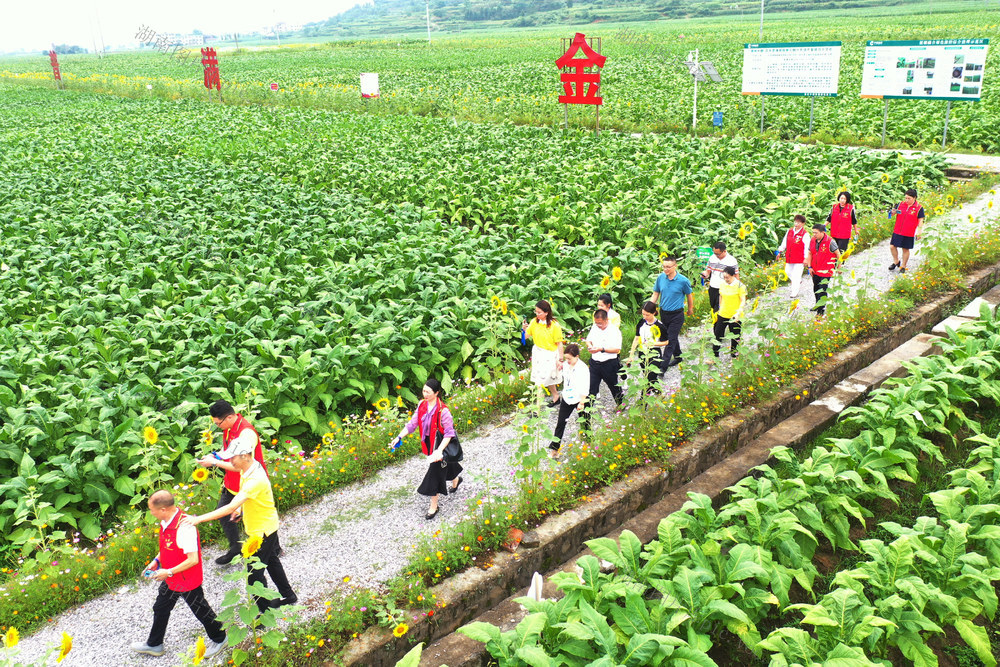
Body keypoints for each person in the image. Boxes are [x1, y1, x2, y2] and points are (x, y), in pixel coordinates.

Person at [183, 438, 297, 614]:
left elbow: (229, 507)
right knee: (272, 562)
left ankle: (265, 613)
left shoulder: (255, 479)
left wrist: (198, 519)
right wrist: (241, 511)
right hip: (264, 525)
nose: (230, 461)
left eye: (232, 457)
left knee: (253, 576)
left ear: (244, 455)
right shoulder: (249, 467)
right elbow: (251, 499)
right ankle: (289, 596)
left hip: (263, 531)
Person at [130, 491, 227, 658]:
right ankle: (154, 644)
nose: (151, 513)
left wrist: (167, 571)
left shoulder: (184, 528)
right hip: (171, 577)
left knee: (201, 609)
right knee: (160, 607)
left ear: (163, 509)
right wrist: (157, 561)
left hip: (186, 579)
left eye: (152, 509)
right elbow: (169, 548)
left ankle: (220, 639)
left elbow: (193, 559)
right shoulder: (166, 521)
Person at [197, 400, 268, 565]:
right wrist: (214, 456)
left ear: (229, 417)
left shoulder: (246, 434)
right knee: (224, 515)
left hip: (250, 482)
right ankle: (235, 549)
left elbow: (240, 467)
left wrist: (214, 463)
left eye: (218, 423)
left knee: (258, 519)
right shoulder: (228, 429)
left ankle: (273, 548)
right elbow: (227, 452)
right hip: (231, 483)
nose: (217, 426)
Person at [391, 379, 462, 520]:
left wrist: (439, 451)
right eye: (424, 391)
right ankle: (456, 480)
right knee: (446, 464)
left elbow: (449, 434)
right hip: (429, 443)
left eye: (428, 392)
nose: (425, 394)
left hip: (440, 444)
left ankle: (433, 506)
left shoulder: (444, 411)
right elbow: (412, 424)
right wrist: (399, 437)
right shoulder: (422, 405)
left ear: (436, 393)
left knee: (434, 473)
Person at [649, 256, 694, 368]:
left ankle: (662, 368)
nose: (665, 269)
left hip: (677, 315)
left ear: (675, 266)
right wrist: (649, 307)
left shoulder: (683, 281)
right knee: (671, 336)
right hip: (664, 313)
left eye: (668, 267)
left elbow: (689, 295)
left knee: (670, 340)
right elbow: (655, 294)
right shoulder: (660, 278)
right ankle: (678, 356)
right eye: (664, 267)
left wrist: (690, 309)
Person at [549, 344, 589, 457]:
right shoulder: (566, 365)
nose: (567, 361)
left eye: (570, 359)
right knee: (560, 423)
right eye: (566, 358)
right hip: (567, 397)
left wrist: (582, 402)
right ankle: (554, 449)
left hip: (579, 398)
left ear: (577, 356)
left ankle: (588, 443)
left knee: (585, 421)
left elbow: (585, 386)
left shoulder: (583, 368)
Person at [522, 300, 564, 407]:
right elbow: (526, 337)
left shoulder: (555, 325)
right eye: (535, 312)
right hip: (538, 353)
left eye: (539, 312)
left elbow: (559, 344)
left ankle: (537, 409)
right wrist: (524, 329)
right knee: (543, 379)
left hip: (550, 355)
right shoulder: (534, 322)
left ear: (546, 312)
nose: (537, 314)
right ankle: (556, 397)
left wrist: (560, 359)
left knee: (540, 382)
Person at [584, 309, 624, 406]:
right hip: (595, 363)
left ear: (606, 320)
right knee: (591, 388)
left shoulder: (614, 331)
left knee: (614, 386)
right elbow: (588, 340)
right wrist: (589, 346)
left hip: (609, 363)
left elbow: (617, 349)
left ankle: (621, 404)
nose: (598, 325)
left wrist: (601, 349)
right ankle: (586, 414)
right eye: (596, 323)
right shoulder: (594, 327)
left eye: (600, 323)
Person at [630, 302, 670, 388]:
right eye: (643, 314)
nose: (645, 317)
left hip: (654, 353)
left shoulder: (660, 326)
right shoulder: (641, 322)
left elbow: (666, 342)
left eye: (647, 315)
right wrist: (631, 354)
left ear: (654, 313)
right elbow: (637, 338)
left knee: (648, 378)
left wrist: (652, 344)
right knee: (648, 376)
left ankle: (643, 399)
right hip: (642, 352)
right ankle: (658, 392)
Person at [804, 224, 840, 316]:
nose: (814, 234)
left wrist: (839, 267)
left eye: (816, 233)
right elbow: (810, 253)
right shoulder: (812, 240)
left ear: (822, 232)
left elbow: (838, 254)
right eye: (813, 233)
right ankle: (817, 305)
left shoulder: (830, 241)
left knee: (822, 290)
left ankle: (821, 311)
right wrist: (809, 267)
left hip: (826, 271)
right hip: (815, 270)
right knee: (816, 289)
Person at [889, 188, 925, 274]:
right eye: (906, 198)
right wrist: (892, 212)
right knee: (892, 246)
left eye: (909, 198)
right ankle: (896, 261)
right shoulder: (900, 204)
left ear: (914, 198)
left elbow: (920, 220)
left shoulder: (919, 208)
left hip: (909, 232)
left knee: (905, 249)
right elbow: (893, 213)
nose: (907, 200)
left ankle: (903, 266)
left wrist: (919, 231)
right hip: (898, 230)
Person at [713, 267, 746, 358]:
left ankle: (734, 356)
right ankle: (714, 356)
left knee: (735, 337)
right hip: (723, 313)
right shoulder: (722, 284)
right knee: (718, 334)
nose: (726, 279)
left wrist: (738, 313)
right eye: (724, 277)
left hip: (735, 315)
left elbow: (743, 301)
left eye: (728, 277)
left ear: (733, 275)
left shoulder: (740, 286)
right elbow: (721, 296)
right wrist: (720, 307)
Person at [777, 214, 809, 299]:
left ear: (803, 224)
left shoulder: (805, 234)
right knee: (787, 271)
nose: (796, 224)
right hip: (790, 256)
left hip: (799, 258)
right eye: (795, 222)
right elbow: (784, 242)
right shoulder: (789, 231)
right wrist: (780, 250)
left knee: (796, 275)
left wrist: (806, 258)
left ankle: (794, 292)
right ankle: (798, 281)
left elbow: (807, 247)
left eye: (798, 222)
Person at [701, 242, 739, 313]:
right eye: (714, 253)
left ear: (724, 251)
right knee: (713, 307)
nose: (716, 255)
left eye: (718, 254)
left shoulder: (731, 261)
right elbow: (708, 271)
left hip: (725, 288)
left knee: (718, 309)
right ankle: (717, 322)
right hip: (713, 287)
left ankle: (717, 323)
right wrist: (705, 274)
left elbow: (736, 276)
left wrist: (736, 289)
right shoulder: (712, 258)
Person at [826, 191, 858, 257]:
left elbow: (854, 221)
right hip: (834, 232)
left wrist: (856, 230)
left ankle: (841, 264)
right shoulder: (834, 207)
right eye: (841, 198)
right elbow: (829, 218)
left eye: (844, 199)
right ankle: (835, 265)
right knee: (834, 250)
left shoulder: (850, 208)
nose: (842, 200)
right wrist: (823, 226)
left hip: (844, 234)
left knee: (841, 250)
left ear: (847, 200)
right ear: (839, 198)